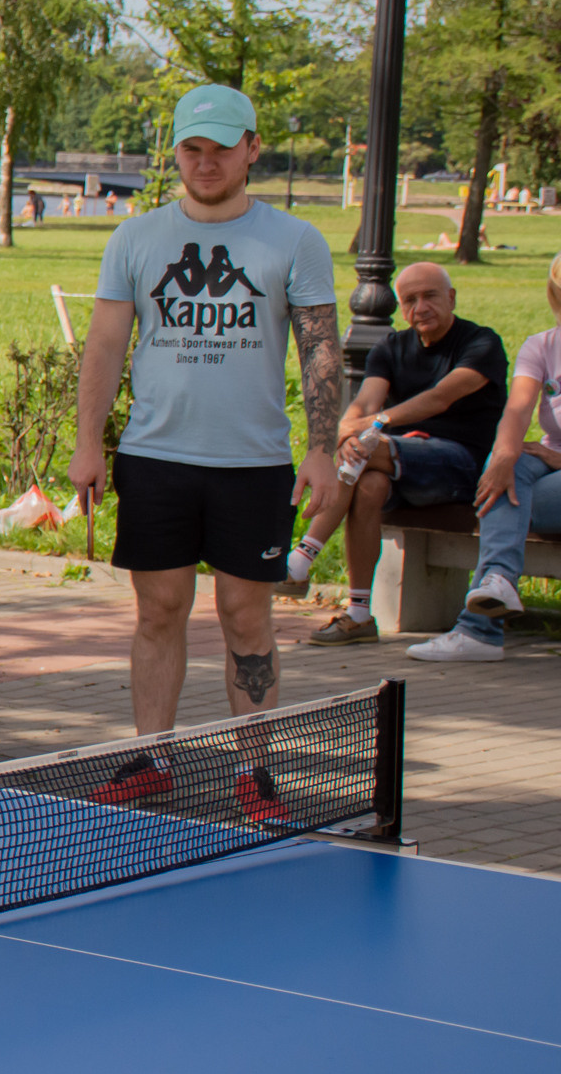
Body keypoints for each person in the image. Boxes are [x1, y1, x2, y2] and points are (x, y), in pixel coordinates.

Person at [67, 84, 343, 789]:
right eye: (193, 148)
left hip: (252, 465)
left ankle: (256, 772)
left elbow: (320, 349)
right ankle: (152, 758)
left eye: (222, 148)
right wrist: (89, 442)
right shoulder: (136, 237)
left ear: (251, 149)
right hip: (156, 458)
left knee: (245, 618)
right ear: (177, 152)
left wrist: (322, 448)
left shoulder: (295, 240)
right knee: (158, 610)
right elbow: (103, 346)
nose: (207, 162)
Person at [285, 261, 506, 644]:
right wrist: (349, 430)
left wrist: (365, 428)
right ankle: (358, 613)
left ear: (451, 297)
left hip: (459, 466)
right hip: (393, 460)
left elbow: (440, 398)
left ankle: (300, 559)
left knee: (367, 452)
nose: (420, 307)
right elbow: (364, 402)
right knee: (368, 485)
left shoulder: (481, 343)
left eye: (430, 296)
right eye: (410, 300)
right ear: (401, 308)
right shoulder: (390, 347)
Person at [407, 252, 561, 662]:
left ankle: (480, 631)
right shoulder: (543, 346)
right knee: (509, 469)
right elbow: (516, 413)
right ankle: (496, 586)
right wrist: (503, 456)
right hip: (548, 477)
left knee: (515, 478)